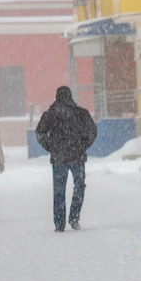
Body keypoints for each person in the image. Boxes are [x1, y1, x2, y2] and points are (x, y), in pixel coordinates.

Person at [36, 86, 97, 232]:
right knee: (79, 186)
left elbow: (40, 133)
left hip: (59, 158)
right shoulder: (80, 113)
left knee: (59, 191)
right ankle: (74, 217)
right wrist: (82, 145)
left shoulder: (50, 114)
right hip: (77, 156)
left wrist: (52, 147)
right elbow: (92, 131)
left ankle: (59, 223)